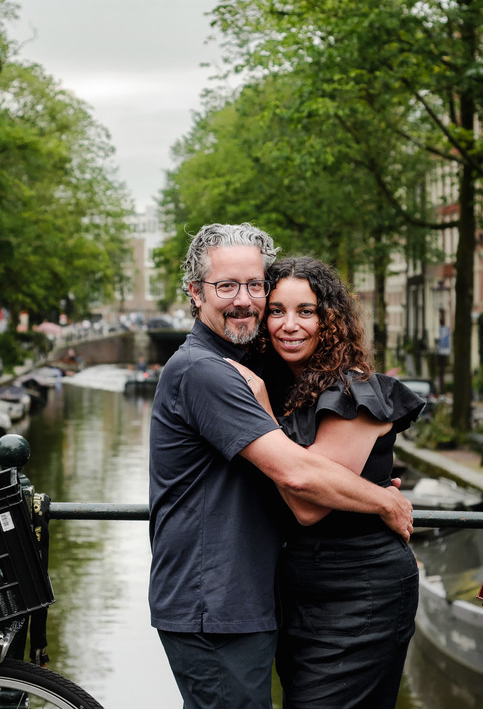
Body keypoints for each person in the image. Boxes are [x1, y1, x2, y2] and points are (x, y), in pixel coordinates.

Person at [149, 223, 414, 709]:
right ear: (194, 291)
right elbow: (298, 475)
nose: (245, 300)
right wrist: (382, 499)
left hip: (259, 598)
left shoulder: (249, 365)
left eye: (255, 285)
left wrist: (361, 481)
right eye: (226, 286)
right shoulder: (207, 371)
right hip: (216, 603)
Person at [229, 256, 425, 709]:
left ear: (329, 320)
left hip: (361, 592)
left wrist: (258, 412)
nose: (288, 325)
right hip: (297, 593)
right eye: (276, 311)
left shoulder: (355, 392)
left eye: (306, 311)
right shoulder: (286, 391)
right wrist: (377, 496)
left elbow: (308, 505)